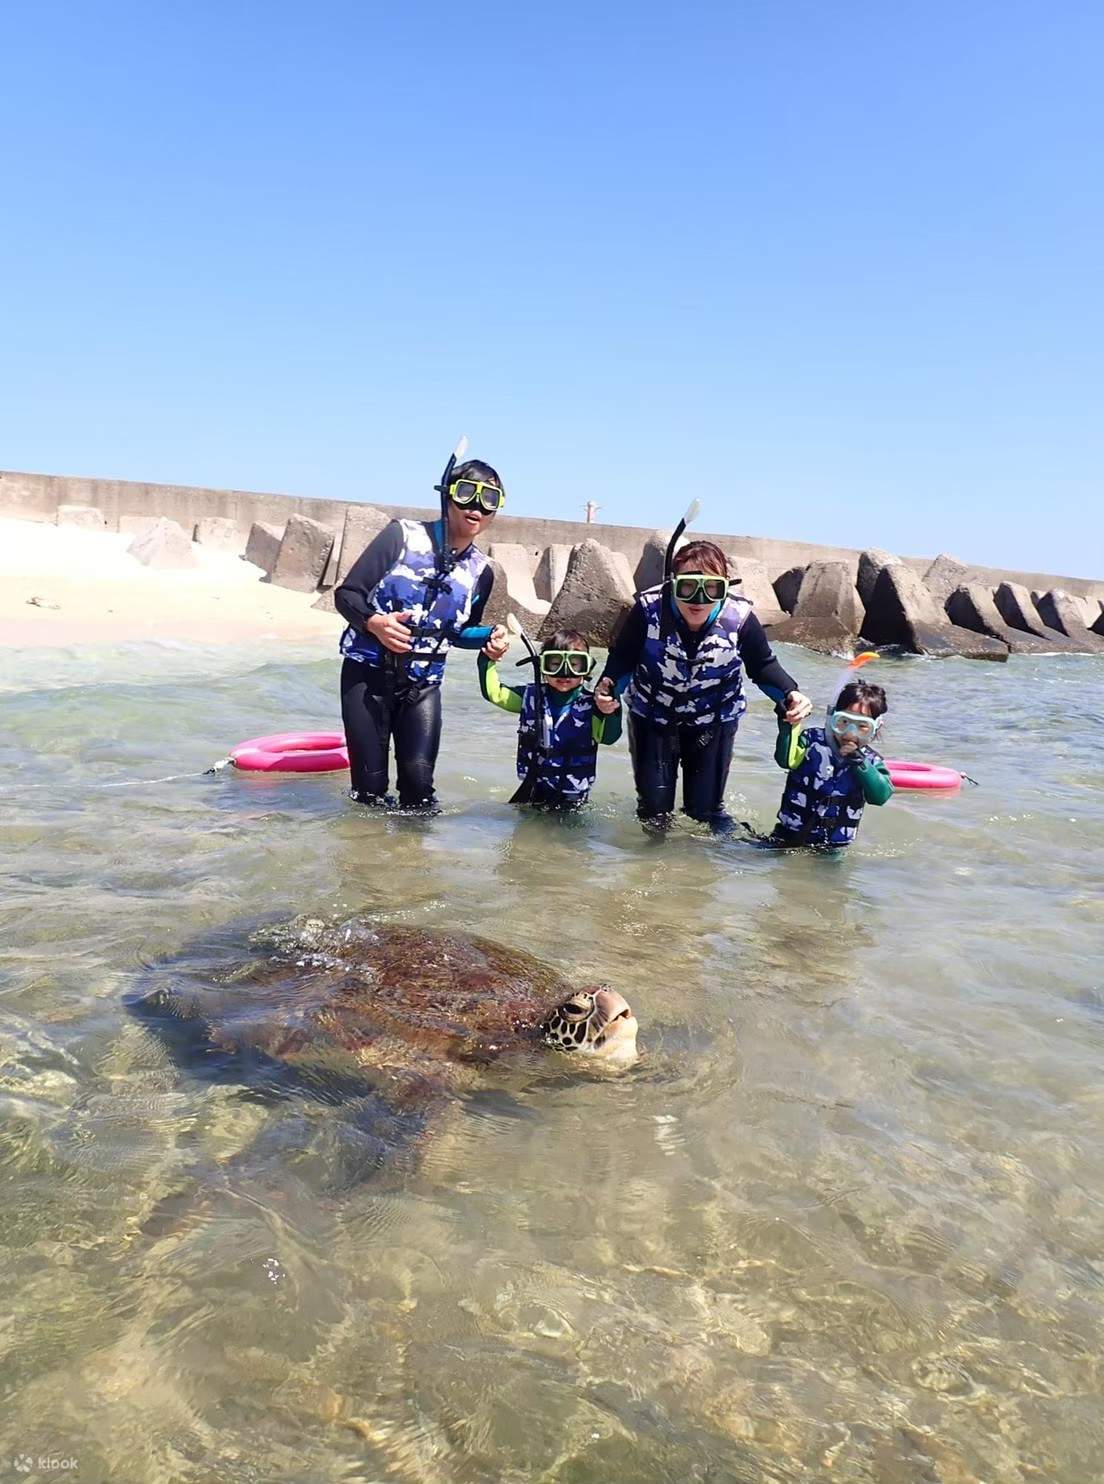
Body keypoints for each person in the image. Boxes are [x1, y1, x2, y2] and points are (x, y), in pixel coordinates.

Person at [595, 540, 812, 834]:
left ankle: (721, 858)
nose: (698, 599)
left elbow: (762, 666)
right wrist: (608, 687)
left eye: (711, 588)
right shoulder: (648, 610)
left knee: (705, 813)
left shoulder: (740, 618)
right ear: (673, 584)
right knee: (653, 812)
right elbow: (623, 657)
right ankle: (651, 861)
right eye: (688, 587)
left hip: (715, 720)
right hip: (652, 717)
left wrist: (790, 692)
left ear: (725, 587)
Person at [334, 458, 510, 811]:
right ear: (447, 495)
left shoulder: (482, 572)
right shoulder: (400, 536)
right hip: (367, 677)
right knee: (369, 791)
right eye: (466, 493)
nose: (476, 506)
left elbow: (458, 633)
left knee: (419, 790)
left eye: (489, 499)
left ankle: (413, 847)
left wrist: (490, 638)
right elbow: (347, 595)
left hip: (423, 687)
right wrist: (374, 623)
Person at [478, 628, 622, 810]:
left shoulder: (593, 705)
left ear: (587, 668)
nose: (564, 672)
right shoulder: (531, 697)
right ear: (541, 665)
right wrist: (488, 659)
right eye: (554, 664)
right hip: (533, 789)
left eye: (575, 664)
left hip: (573, 796)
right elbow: (494, 693)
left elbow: (609, 738)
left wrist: (610, 710)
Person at [768, 679, 893, 848]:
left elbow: (880, 797)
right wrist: (787, 724)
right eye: (844, 721)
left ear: (876, 728)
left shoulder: (870, 761)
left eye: (862, 726)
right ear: (832, 717)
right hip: (788, 835)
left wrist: (860, 763)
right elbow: (785, 760)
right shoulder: (812, 741)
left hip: (833, 847)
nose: (850, 733)